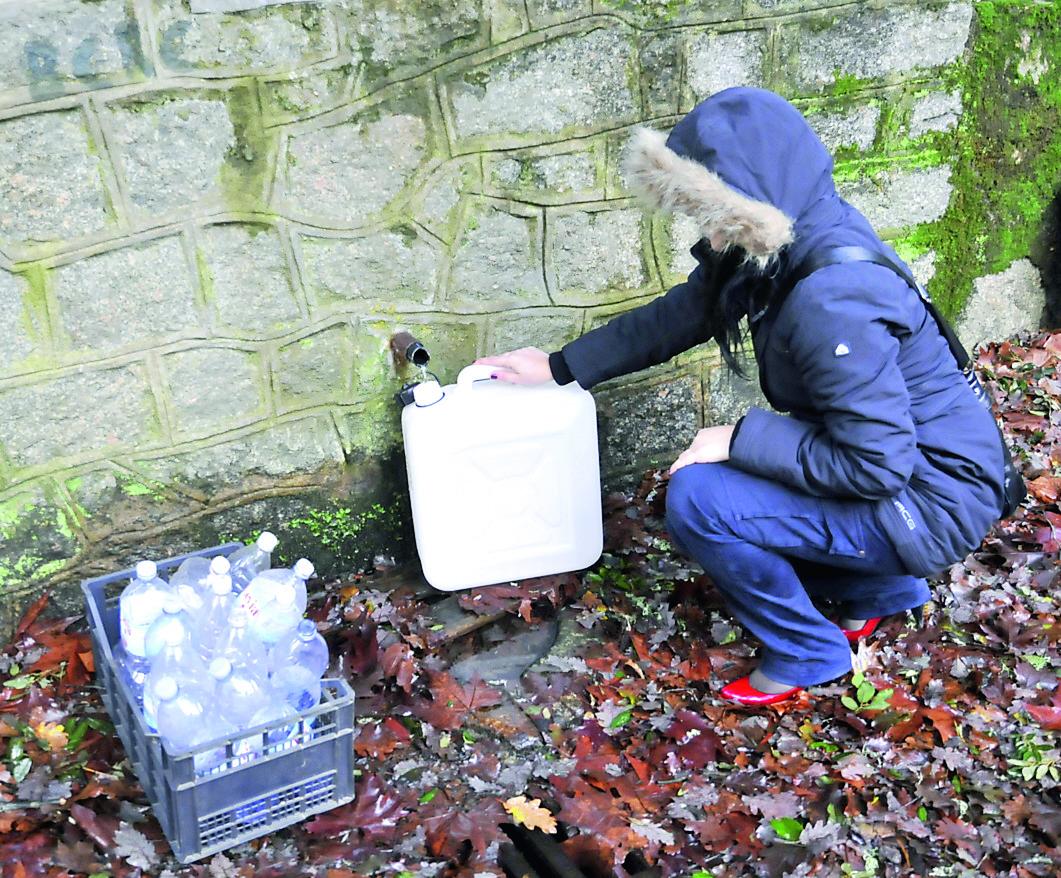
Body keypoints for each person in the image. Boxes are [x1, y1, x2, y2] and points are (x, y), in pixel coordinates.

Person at [474, 87, 1008, 706]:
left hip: (929, 496)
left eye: (707, 210)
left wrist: (736, 439)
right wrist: (562, 366)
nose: (702, 228)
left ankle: (808, 649)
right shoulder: (795, 232)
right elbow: (687, 311)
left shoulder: (830, 299)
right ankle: (880, 592)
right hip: (921, 466)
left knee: (700, 498)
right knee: (726, 480)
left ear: (746, 200)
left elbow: (875, 464)